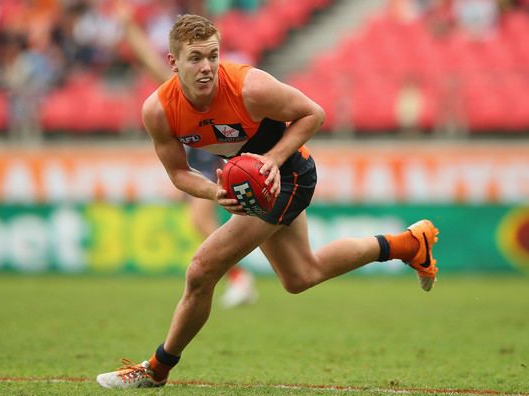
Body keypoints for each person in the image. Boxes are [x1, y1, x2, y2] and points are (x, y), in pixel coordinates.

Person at [96, 14, 439, 389]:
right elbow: (178, 173)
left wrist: (271, 161)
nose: (207, 66)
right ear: (173, 63)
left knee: (201, 270)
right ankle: (408, 243)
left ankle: (156, 370)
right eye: (195, 58)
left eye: (213, 55)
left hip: (289, 175)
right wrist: (215, 192)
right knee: (300, 276)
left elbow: (314, 114)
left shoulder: (249, 87)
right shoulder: (158, 111)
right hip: (257, 184)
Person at [115, 1, 259, 308]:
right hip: (200, 158)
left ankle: (240, 277)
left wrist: (129, 28)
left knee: (201, 219)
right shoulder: (175, 89)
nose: (204, 66)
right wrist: (129, 29)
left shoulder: (226, 77)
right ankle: (238, 276)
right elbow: (152, 65)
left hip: (213, 158)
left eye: (209, 56)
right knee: (205, 221)